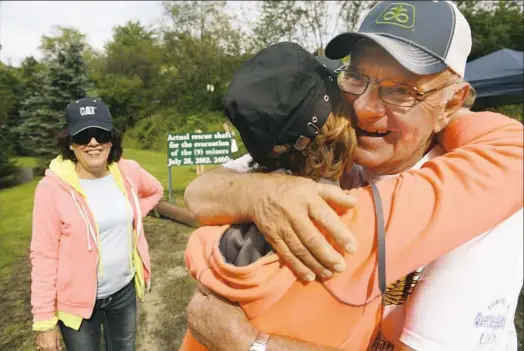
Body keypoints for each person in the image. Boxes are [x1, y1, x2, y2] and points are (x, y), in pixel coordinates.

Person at [183, 1, 523, 350]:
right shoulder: (333, 145)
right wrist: (263, 194)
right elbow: (200, 192)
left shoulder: (484, 200)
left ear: (451, 104)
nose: (363, 108)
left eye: (401, 91)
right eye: (357, 77)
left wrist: (248, 343)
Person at [30, 97, 164, 351]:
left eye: (100, 134)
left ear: (111, 139)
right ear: (70, 143)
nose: (93, 143)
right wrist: (45, 323)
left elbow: (155, 191)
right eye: (83, 136)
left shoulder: (127, 171)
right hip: (75, 304)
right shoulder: (51, 189)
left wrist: (133, 218)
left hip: (123, 293)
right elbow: (44, 256)